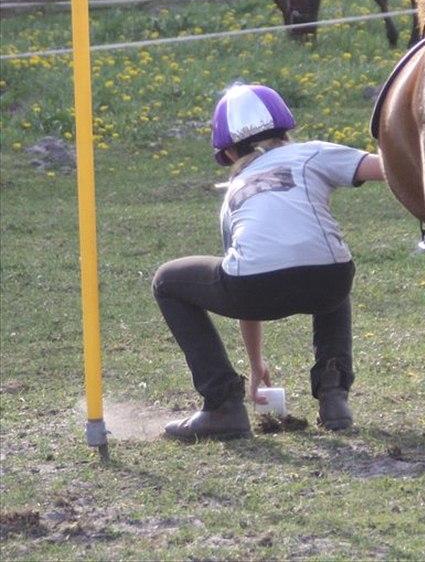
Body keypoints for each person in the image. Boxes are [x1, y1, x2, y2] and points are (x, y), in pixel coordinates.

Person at [152, 82, 385, 441]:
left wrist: (255, 363)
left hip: (254, 288)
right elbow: (388, 167)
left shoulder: (234, 193)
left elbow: (246, 272)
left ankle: (222, 404)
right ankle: (333, 394)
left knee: (167, 281)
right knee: (329, 265)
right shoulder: (312, 153)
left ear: (228, 153)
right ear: (286, 131)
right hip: (329, 281)